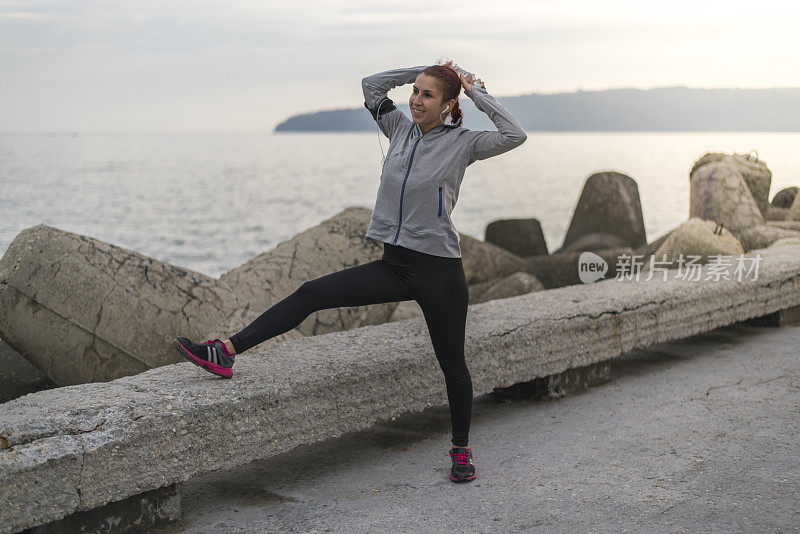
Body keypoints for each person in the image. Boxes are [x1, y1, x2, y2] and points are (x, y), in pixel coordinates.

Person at [173, 60, 527, 483]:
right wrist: (425, 68)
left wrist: (475, 92)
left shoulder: (464, 143)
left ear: (448, 104)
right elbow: (371, 86)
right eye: (415, 91)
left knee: (452, 364)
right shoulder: (397, 129)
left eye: (427, 94)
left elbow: (514, 134)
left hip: (439, 273)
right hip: (394, 264)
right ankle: (225, 351)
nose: (415, 99)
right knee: (312, 292)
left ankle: (461, 450)